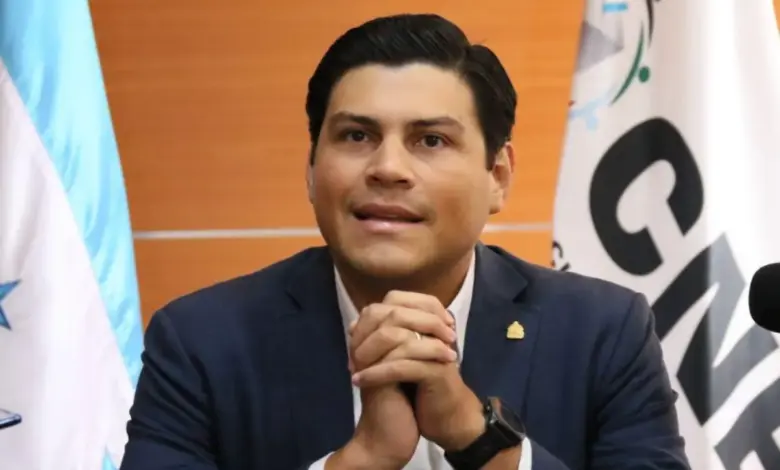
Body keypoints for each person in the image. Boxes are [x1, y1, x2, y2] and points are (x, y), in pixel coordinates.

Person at [119, 13, 691, 470]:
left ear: (497, 176)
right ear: (312, 171)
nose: (388, 168)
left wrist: (477, 438)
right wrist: (362, 460)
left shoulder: (602, 331)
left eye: (431, 140)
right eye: (356, 135)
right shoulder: (203, 341)